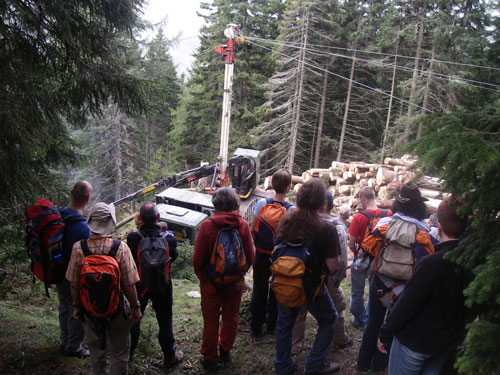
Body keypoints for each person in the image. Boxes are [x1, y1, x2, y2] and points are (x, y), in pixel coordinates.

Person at [377, 197, 472, 375]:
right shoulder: (472, 262)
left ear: (440, 225)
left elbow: (408, 302)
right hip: (445, 342)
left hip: (415, 343)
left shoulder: (432, 263)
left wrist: (386, 332)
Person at [356, 183, 434, 372]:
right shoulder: (424, 232)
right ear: (419, 207)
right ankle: (381, 364)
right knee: (392, 324)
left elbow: (366, 247)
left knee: (372, 322)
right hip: (405, 289)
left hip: (380, 281)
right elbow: (426, 259)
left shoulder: (384, 224)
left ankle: (363, 362)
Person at [273, 179, 341, 375]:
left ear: (300, 198)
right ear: (322, 202)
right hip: (312, 287)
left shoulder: (286, 220)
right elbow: (332, 265)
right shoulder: (326, 228)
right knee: (329, 319)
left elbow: (276, 250)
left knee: (285, 323)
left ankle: (282, 365)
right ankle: (314, 365)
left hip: (284, 280)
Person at [66, 202, 142, 375]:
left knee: (96, 354)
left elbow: (74, 284)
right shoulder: (120, 248)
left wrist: (77, 308)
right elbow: (129, 284)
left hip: (89, 309)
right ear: (110, 223)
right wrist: (135, 307)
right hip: (118, 310)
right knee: (120, 354)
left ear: (91, 221)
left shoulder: (79, 248)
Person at [193, 187, 255, 371]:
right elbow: (250, 256)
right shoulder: (242, 225)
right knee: (231, 317)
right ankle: (225, 351)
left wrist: (205, 279)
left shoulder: (207, 226)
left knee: (211, 320)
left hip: (211, 283)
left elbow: (198, 260)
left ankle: (210, 358)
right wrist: (239, 276)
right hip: (235, 283)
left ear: (215, 204)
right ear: (235, 203)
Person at [291, 190, 352, 358]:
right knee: (337, 307)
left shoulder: (303, 223)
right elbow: (342, 258)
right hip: (328, 278)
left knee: (300, 309)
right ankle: (340, 339)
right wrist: (339, 278)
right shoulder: (336, 227)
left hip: (303, 274)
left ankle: (295, 345)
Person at [126, 203, 183, 368]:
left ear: (140, 220)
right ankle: (169, 356)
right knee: (165, 320)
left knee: (135, 317)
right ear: (158, 218)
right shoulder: (169, 239)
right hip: (163, 285)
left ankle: (130, 352)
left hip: (139, 284)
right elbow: (173, 257)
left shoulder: (133, 238)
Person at [250, 169, 294, 337]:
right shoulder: (291, 210)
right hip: (280, 258)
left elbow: (253, 228)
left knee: (259, 290)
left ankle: (256, 326)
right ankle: (271, 325)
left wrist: (258, 246)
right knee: (276, 291)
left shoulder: (262, 204)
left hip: (261, 255)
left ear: (273, 185)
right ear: (289, 187)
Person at [56, 181, 92, 358]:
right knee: (77, 309)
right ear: (87, 198)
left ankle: (64, 342)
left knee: (64, 306)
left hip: (57, 270)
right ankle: (74, 346)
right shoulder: (83, 227)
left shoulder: (61, 214)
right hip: (74, 275)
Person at [348, 187, 391, 330]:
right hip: (381, 259)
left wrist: (356, 254)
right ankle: (371, 318)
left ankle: (360, 320)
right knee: (376, 291)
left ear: (363, 198)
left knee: (357, 292)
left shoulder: (359, 217)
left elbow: (351, 243)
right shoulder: (388, 214)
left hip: (362, 258)